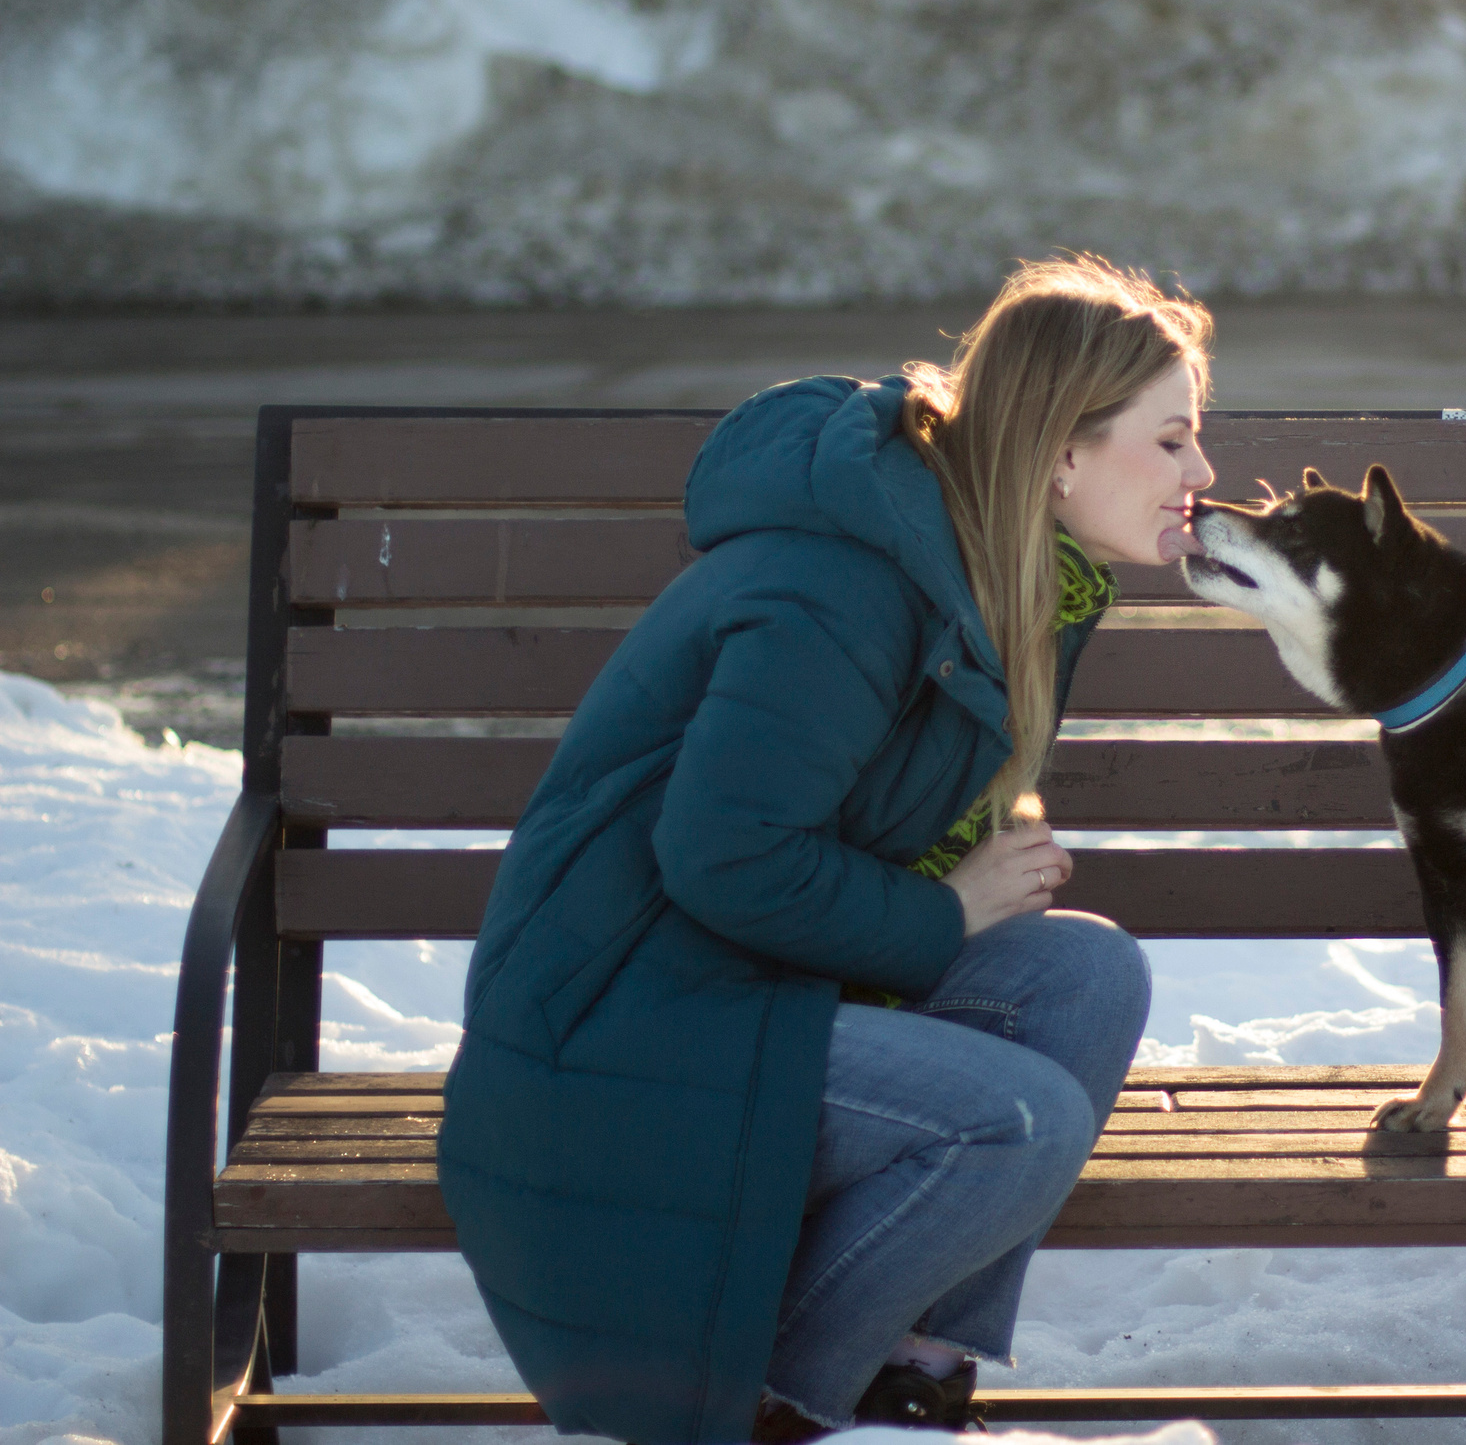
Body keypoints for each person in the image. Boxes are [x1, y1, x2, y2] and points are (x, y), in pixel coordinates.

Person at [436, 258, 1216, 1442]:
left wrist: (967, 840)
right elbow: (727, 856)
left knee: (1084, 974)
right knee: (1014, 1123)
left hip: (754, 983)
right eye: (1172, 440)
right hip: (624, 1019)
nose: (1200, 474)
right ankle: (780, 1411)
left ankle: (909, 1376)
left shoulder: (1011, 572)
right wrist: (946, 914)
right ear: (1063, 452)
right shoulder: (844, 583)